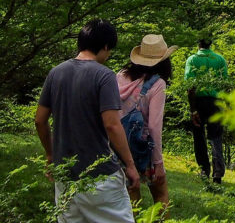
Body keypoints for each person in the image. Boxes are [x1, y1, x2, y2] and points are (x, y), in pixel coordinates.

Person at [35, 19, 140, 223]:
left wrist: (50, 155)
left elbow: (40, 120)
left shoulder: (56, 72)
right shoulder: (104, 75)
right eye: (110, 50)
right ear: (106, 46)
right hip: (100, 176)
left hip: (65, 175)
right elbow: (112, 124)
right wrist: (130, 164)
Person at [116, 33, 178, 211]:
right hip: (143, 149)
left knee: (132, 194)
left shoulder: (120, 75)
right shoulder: (157, 84)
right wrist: (158, 163)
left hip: (119, 146)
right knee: (161, 194)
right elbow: (153, 126)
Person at [184, 35, 229, 185]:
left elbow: (190, 87)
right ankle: (218, 173)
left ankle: (204, 170)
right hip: (216, 102)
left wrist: (193, 109)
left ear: (198, 43)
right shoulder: (220, 60)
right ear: (211, 44)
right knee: (216, 136)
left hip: (199, 101)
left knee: (199, 136)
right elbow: (224, 83)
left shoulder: (192, 60)